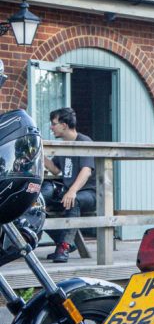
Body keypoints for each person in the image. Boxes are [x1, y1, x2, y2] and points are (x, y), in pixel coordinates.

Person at [43, 107, 96, 263]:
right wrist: (40, 155)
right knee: (37, 205)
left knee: (74, 200)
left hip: (89, 194)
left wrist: (72, 191)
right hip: (68, 192)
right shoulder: (63, 146)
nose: (51, 127)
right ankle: (63, 241)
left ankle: (64, 246)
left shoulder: (84, 142)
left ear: (64, 125)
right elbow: (55, 169)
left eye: (54, 124)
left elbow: (86, 171)